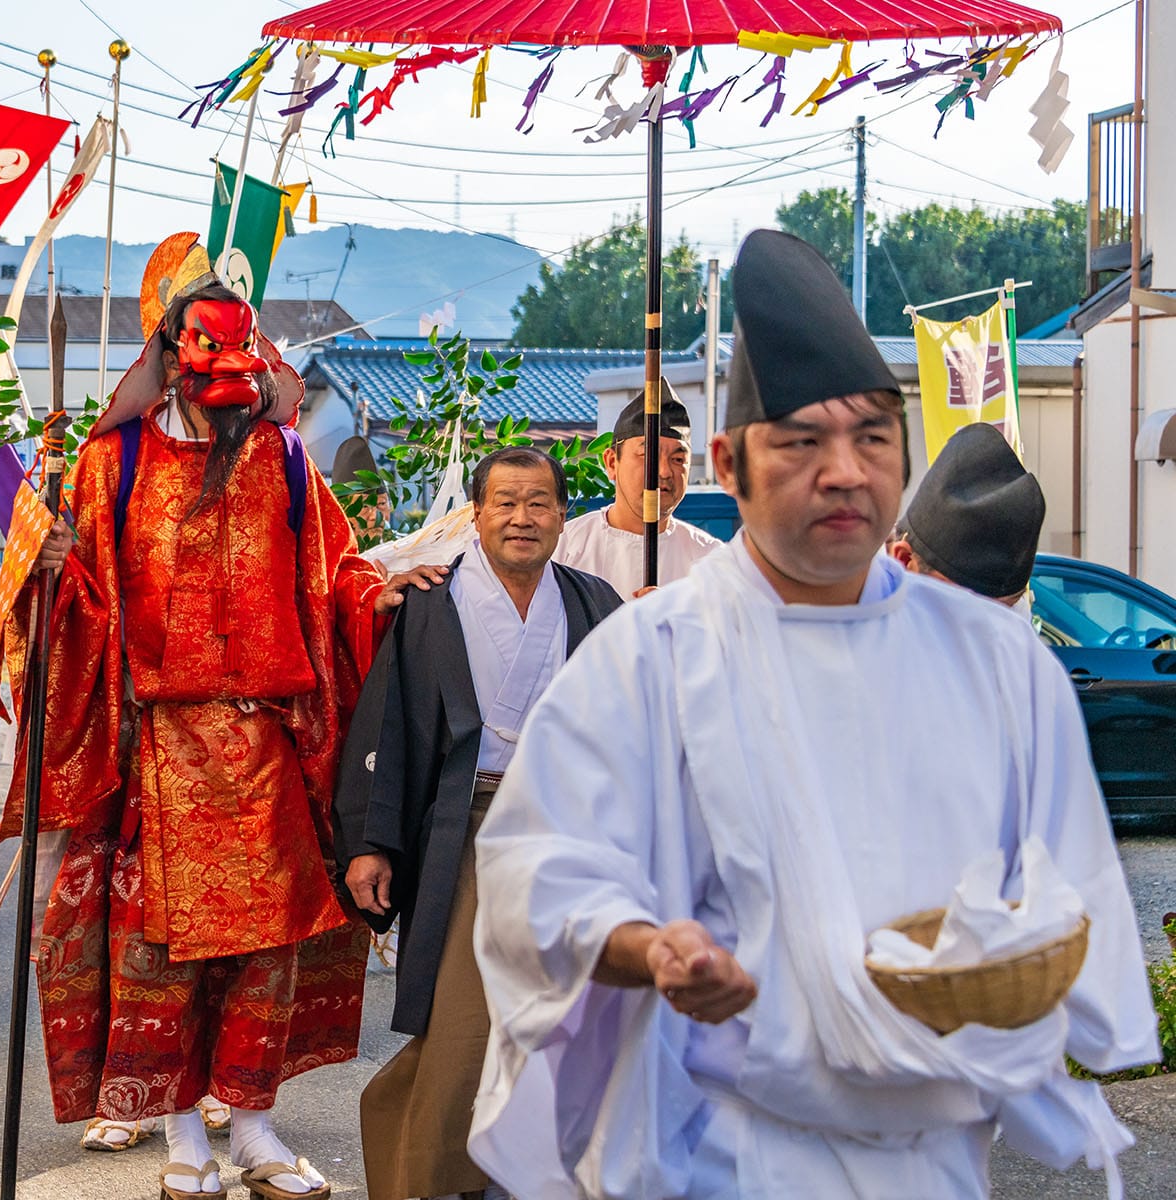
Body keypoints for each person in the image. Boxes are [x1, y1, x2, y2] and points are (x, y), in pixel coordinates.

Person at [466, 229, 1158, 1199]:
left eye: (872, 437)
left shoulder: (1001, 661)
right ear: (727, 461)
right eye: (801, 441)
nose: (844, 470)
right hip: (721, 1144)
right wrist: (645, 946)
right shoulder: (648, 654)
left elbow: (1066, 883)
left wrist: (1005, 961)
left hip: (932, 1156)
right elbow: (534, 873)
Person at [6, 281, 438, 1200]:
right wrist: (41, 565)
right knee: (165, 954)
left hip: (267, 749)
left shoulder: (284, 458)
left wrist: (381, 596)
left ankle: (254, 1128)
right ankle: (181, 1137)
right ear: (169, 363)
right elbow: (71, 601)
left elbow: (337, 571)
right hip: (161, 746)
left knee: (267, 953)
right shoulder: (110, 462)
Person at [334, 446, 621, 1200]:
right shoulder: (429, 603)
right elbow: (387, 726)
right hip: (466, 826)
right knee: (466, 1018)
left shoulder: (596, 603)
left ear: (563, 516)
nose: (522, 518)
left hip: (567, 829)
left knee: (558, 1018)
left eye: (539, 503)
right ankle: (420, 1173)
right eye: (506, 502)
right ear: (478, 514)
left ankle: (510, 1178)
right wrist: (371, 842)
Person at [555, 383, 719, 598]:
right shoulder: (564, 548)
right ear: (612, 463)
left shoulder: (711, 561)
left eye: (678, 459)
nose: (664, 471)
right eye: (648, 456)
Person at [890, 421, 1046, 614]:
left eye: (1008, 613)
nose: (985, 636)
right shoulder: (851, 630)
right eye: (966, 611)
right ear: (904, 562)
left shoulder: (1014, 636)